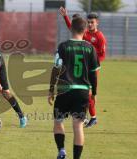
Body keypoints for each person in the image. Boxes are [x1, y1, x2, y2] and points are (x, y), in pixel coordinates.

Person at [48, 17, 100, 159]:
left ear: (71, 29)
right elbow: (93, 74)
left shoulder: (63, 46)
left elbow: (56, 68)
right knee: (78, 126)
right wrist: (93, 92)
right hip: (82, 91)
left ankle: (62, 151)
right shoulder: (90, 48)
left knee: (58, 121)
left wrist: (51, 89)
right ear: (85, 30)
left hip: (64, 90)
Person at [59, 7, 107, 127]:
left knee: (89, 93)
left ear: (97, 23)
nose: (90, 24)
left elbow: (102, 55)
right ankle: (84, 115)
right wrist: (65, 16)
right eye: (89, 22)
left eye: (92, 22)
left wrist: (93, 63)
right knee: (78, 91)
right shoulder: (84, 33)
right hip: (82, 67)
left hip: (92, 68)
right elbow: (72, 27)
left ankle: (92, 117)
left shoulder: (100, 37)